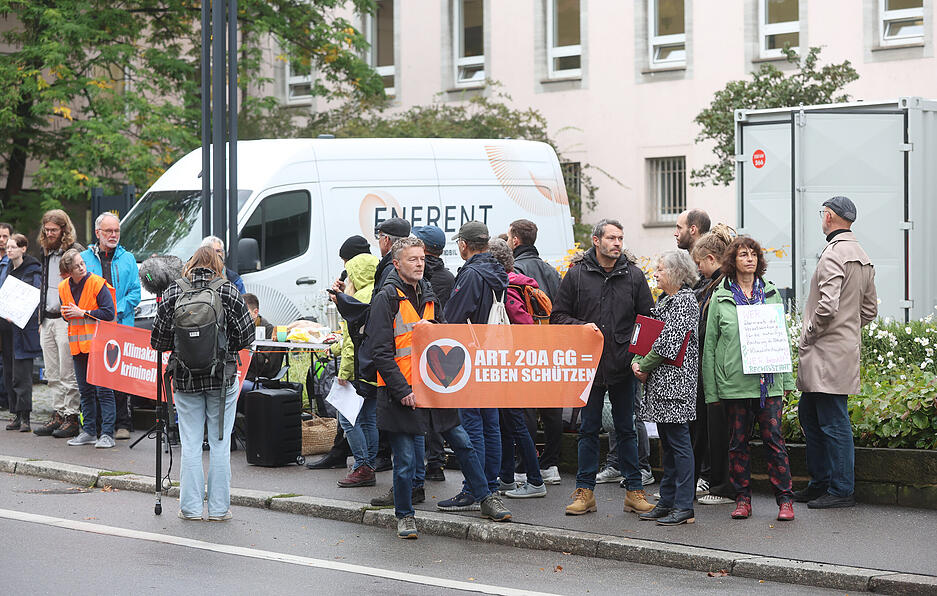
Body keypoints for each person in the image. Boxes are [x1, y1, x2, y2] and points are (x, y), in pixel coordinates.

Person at [367, 237, 511, 538]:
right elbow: (380, 351)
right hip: (402, 392)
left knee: (464, 444)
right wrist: (402, 390)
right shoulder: (386, 298)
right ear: (397, 264)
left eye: (421, 258)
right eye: (412, 259)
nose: (420, 263)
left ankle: (485, 498)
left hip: (435, 385)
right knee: (405, 460)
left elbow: (444, 337)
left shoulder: (428, 292)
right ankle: (405, 516)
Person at [551, 219, 655, 516]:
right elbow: (558, 316)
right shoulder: (576, 275)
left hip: (624, 365)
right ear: (596, 241)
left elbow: (646, 321)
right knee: (587, 429)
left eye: (620, 238)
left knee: (626, 429)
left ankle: (634, 491)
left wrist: (639, 358)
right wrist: (582, 326)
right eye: (611, 238)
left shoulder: (634, 276)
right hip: (588, 366)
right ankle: (585, 493)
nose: (617, 243)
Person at [151, 246, 254, 521]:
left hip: (185, 379)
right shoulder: (228, 290)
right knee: (220, 445)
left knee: (191, 444)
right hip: (222, 379)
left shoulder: (174, 292)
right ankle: (219, 510)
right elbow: (246, 336)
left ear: (191, 264)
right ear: (217, 265)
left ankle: (191, 509)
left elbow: (157, 341)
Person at [701, 236, 796, 522]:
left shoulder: (770, 293)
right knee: (737, 443)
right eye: (743, 254)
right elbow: (710, 346)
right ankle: (742, 499)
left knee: (774, 441)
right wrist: (711, 391)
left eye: (753, 254)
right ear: (733, 260)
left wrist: (788, 381)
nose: (749, 259)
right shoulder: (721, 296)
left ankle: (785, 500)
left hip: (768, 384)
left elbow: (782, 339)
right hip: (734, 384)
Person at [796, 196, 877, 509]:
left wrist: (811, 332)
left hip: (823, 350)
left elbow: (826, 306)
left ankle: (840, 489)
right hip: (842, 348)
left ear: (828, 217)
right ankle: (822, 483)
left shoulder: (833, 254)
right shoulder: (863, 255)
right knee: (813, 414)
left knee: (831, 420)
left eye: (822, 214)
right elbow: (869, 310)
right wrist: (848, 329)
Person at [439, 221, 508, 510]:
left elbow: (453, 316)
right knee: (491, 423)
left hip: (471, 355)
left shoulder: (470, 274)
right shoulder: (498, 270)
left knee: (473, 425)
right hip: (492, 354)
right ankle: (490, 484)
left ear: (464, 245)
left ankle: (473, 488)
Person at [631, 250, 700, 526]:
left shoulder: (685, 302)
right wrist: (638, 360)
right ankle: (668, 502)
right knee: (669, 446)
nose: (656, 273)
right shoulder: (666, 301)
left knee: (679, 444)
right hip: (661, 385)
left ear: (675, 273)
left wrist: (643, 365)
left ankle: (684, 506)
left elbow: (667, 343)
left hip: (676, 385)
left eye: (660, 269)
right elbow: (647, 336)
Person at [487, 238, 547, 499]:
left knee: (514, 421)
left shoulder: (506, 287)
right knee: (507, 422)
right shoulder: (514, 282)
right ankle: (508, 478)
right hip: (510, 364)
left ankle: (534, 481)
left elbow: (524, 327)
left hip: (510, 364)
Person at [507, 218, 563, 486]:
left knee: (526, 409)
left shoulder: (514, 271)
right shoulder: (551, 271)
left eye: (509, 238)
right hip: (550, 345)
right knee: (551, 407)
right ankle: (550, 464)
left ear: (515, 240)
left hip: (523, 348)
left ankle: (523, 465)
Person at [81, 212, 141, 440]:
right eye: (109, 231)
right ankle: (94, 425)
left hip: (120, 324)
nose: (114, 235)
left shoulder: (128, 259)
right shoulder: (84, 258)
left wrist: (115, 310)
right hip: (92, 325)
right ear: (98, 233)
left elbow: (135, 292)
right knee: (94, 375)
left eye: (116, 230)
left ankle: (122, 423)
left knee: (119, 375)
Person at [690, 225, 736, 506]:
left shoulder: (721, 286)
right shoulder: (712, 285)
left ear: (710, 258)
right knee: (710, 431)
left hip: (720, 370)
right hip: (712, 369)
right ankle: (713, 481)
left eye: (699, 263)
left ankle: (724, 485)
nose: (698, 269)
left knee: (722, 433)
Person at [58, 249, 118, 449]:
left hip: (99, 345)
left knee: (104, 391)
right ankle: (90, 432)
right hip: (78, 347)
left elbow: (109, 313)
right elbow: (66, 314)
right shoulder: (63, 287)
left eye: (82, 263)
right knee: (85, 391)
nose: (82, 267)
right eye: (77, 266)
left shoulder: (97, 283)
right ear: (68, 272)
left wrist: (82, 313)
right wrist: (68, 314)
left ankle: (107, 434)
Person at [332, 249, 381, 489]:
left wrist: (344, 372)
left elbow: (351, 341)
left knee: (348, 420)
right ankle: (369, 464)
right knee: (370, 419)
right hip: (375, 368)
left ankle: (362, 466)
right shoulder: (378, 292)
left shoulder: (357, 298)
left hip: (358, 370)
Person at [34, 210, 84, 438]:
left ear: (64, 229)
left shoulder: (74, 251)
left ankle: (72, 416)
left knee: (67, 371)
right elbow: (44, 286)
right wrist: (40, 319)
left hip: (66, 319)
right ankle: (59, 412)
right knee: (52, 372)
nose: (49, 233)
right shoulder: (46, 251)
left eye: (54, 229)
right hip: (47, 317)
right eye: (47, 229)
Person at [409, 225, 453, 482]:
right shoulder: (447, 277)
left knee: (421, 412)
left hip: (420, 352)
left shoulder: (421, 280)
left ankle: (424, 467)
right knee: (436, 410)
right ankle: (435, 463)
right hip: (442, 351)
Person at [3, 234, 42, 431]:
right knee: (10, 371)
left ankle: (25, 416)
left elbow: (34, 297)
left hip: (24, 329)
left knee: (23, 373)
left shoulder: (33, 270)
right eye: (8, 247)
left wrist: (17, 313)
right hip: (8, 329)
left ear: (23, 249)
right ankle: (15, 414)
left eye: (13, 247)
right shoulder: (8, 270)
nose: (9, 250)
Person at [241, 293, 284, 391]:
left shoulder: (269, 331)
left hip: (260, 381)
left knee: (237, 387)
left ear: (255, 312)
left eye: (244, 314)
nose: (241, 318)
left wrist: (245, 350)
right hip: (241, 376)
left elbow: (268, 368)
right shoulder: (239, 329)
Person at [0, 221, 14, 411]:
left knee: (7, 360)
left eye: (5, 236)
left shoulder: (13, 261)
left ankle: (6, 399)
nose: (1, 240)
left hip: (8, 317)